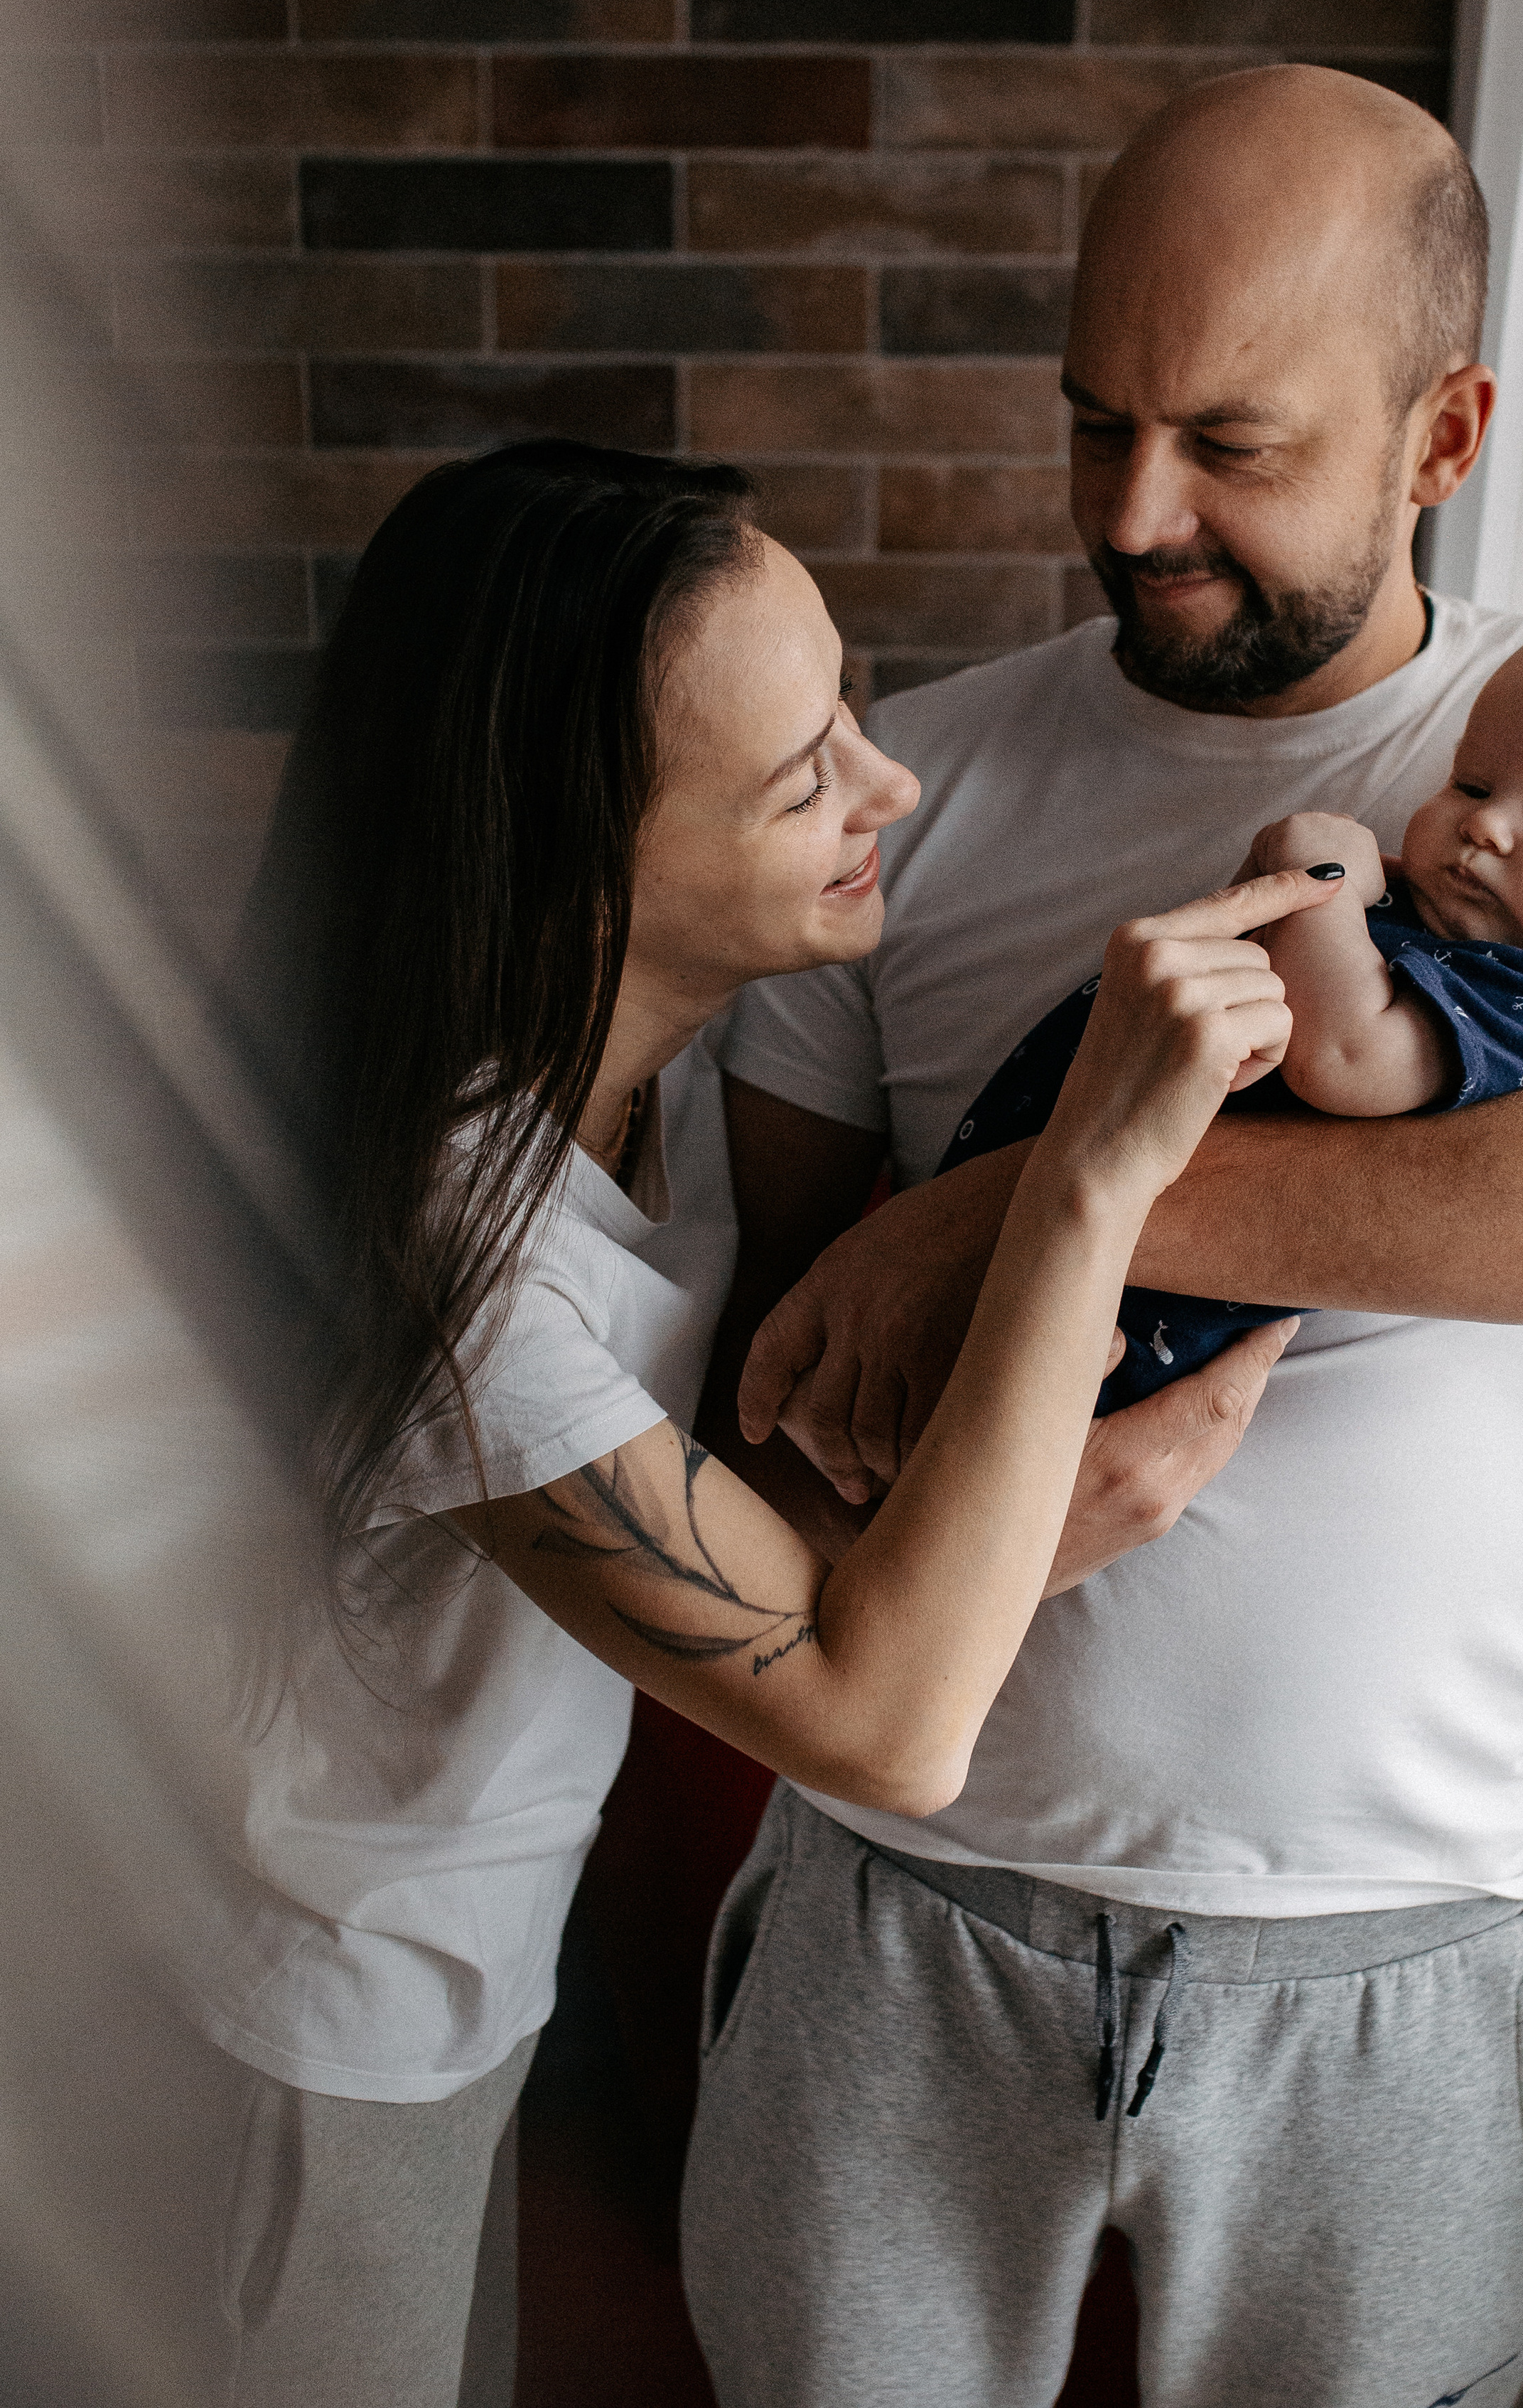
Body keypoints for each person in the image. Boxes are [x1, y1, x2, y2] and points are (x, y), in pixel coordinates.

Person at [679, 70, 1523, 2408]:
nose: (1132, 513)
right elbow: (765, 1397)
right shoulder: (901, 793)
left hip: (1384, 1963)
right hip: (904, 1918)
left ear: (1446, 429)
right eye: (1098, 419)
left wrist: (1032, 1207)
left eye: (1233, 440)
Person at [186, 439, 1305, 2408]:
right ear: (570, 855)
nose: (892, 788)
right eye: (805, 780)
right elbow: (886, 1723)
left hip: (464, 1974)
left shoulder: (661, 1083)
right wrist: (1091, 1180)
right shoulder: (467, 1263)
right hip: (298, 2022)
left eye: (851, 711)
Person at [941, 603, 1523, 1412]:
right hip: (1008, 1237)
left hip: (1105, 1330)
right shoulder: (1428, 928)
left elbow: (1345, 1057)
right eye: (1471, 785)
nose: (1485, 827)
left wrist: (1317, 885)